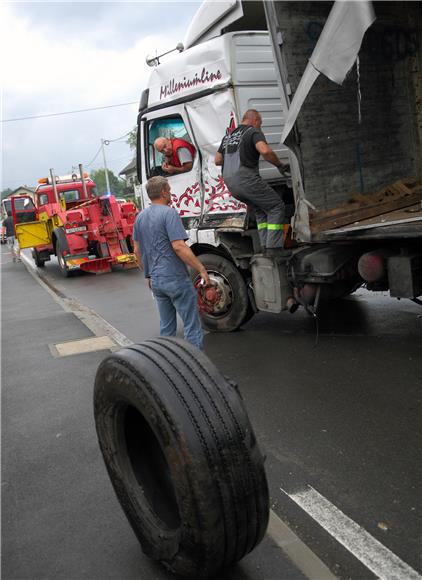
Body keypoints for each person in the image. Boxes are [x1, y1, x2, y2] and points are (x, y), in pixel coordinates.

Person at [133, 176, 209, 350]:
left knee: (167, 329)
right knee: (192, 326)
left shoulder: (140, 218)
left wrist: (148, 274)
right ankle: (196, 366)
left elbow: (137, 251)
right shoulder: (169, 213)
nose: (171, 193)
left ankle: (168, 365)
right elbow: (179, 246)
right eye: (169, 189)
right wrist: (201, 269)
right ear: (163, 191)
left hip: (157, 281)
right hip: (175, 277)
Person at [215, 109, 290, 253]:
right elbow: (265, 151)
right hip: (247, 180)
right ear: (255, 120)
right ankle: (274, 249)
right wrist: (280, 165)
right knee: (276, 207)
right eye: (260, 123)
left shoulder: (228, 136)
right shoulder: (253, 132)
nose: (260, 126)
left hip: (231, 184)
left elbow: (217, 160)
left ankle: (264, 247)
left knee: (261, 210)